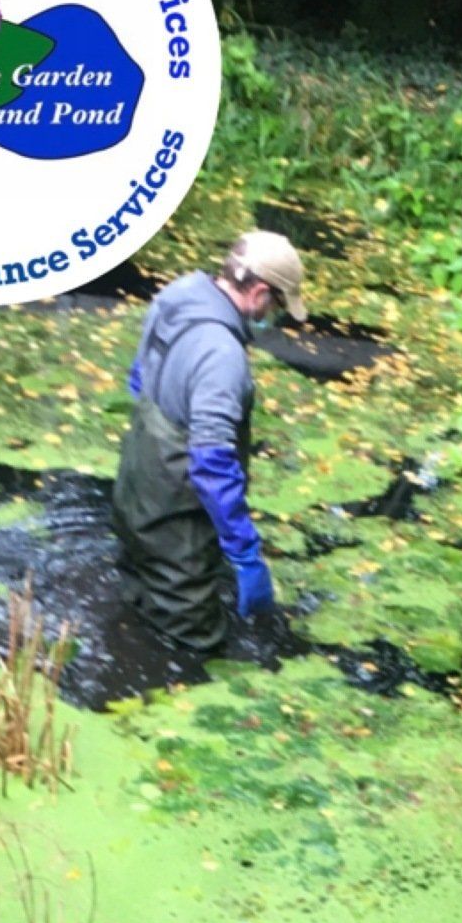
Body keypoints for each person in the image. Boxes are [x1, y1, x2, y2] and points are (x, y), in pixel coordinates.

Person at [112, 231, 307, 654]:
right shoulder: (223, 357)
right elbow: (211, 463)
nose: (273, 316)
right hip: (174, 506)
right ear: (258, 292)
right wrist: (244, 553)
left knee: (136, 590)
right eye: (276, 305)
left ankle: (127, 640)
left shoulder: (179, 292)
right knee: (192, 640)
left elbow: (138, 377)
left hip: (134, 481)